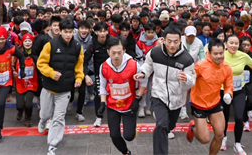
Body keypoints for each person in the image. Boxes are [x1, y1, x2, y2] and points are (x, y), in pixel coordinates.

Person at [134, 26, 196, 155]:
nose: (172, 45)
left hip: (177, 98)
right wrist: (143, 73)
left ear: (180, 41)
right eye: (169, 41)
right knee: (161, 125)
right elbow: (148, 65)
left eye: (175, 41)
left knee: (169, 126)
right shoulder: (155, 52)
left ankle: (169, 129)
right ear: (164, 39)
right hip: (159, 94)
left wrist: (186, 79)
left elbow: (191, 81)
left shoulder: (187, 59)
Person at [37, 17, 84, 155]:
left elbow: (79, 66)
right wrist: (51, 73)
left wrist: (79, 79)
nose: (68, 34)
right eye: (65, 31)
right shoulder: (50, 44)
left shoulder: (77, 47)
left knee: (58, 118)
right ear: (60, 31)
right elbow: (41, 63)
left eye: (70, 32)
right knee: (45, 113)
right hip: (48, 87)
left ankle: (52, 146)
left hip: (65, 89)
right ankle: (43, 120)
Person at [97, 37, 147, 155]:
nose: (116, 56)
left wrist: (138, 98)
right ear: (108, 51)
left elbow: (144, 82)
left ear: (124, 51)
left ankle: (132, 130)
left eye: (119, 52)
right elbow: (103, 86)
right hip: (112, 105)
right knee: (114, 135)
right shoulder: (104, 66)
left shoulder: (134, 65)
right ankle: (126, 152)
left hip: (129, 104)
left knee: (129, 136)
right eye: (113, 52)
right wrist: (102, 102)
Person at [185, 39, 233, 155]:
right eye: (215, 54)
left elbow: (229, 85)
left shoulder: (227, 68)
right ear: (209, 53)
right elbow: (190, 80)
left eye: (221, 53)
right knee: (204, 139)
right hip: (199, 104)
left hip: (215, 103)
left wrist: (228, 94)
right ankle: (193, 127)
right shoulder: (200, 66)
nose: (219, 56)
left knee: (220, 134)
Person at [221, 34, 252, 153]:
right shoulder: (221, 55)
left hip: (238, 91)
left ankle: (237, 143)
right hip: (223, 91)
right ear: (225, 43)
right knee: (224, 118)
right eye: (231, 43)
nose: (234, 45)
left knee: (238, 116)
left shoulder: (243, 56)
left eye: (236, 43)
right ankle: (223, 138)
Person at [84, 21, 111, 127]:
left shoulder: (112, 42)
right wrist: (86, 75)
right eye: (100, 31)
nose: (103, 34)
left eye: (104, 31)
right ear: (96, 32)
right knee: (99, 94)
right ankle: (99, 116)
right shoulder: (92, 44)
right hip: (99, 73)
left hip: (113, 72)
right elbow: (85, 60)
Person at [13, 32, 38, 127]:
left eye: (29, 41)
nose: (27, 43)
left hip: (31, 82)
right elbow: (11, 65)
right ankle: (20, 111)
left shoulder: (35, 53)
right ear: (22, 42)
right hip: (20, 82)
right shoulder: (17, 53)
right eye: (25, 41)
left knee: (28, 104)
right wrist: (13, 72)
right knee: (20, 104)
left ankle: (28, 118)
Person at [73, 19, 93, 122]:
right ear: (78, 29)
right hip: (72, 67)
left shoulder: (92, 40)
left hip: (85, 68)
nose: (84, 31)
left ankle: (79, 112)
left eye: (86, 28)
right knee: (71, 91)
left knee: (82, 89)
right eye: (82, 28)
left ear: (89, 30)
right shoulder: (72, 39)